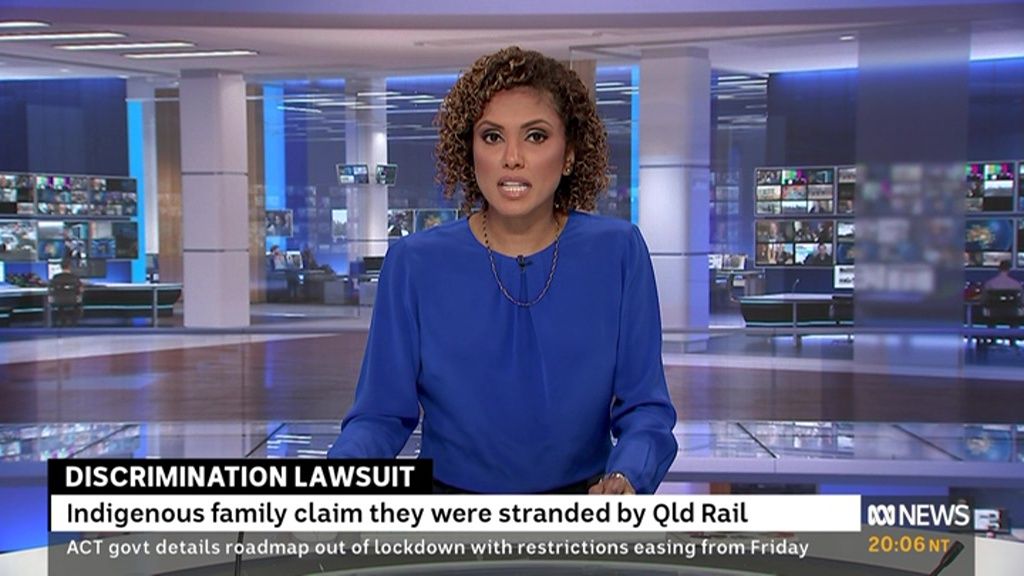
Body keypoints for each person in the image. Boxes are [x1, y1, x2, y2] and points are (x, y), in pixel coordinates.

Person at [328, 46, 677, 495]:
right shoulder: (414, 263)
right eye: (492, 137)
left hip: (584, 512)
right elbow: (380, 415)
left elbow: (646, 408)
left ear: (569, 154)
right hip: (449, 515)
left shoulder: (618, 252)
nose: (512, 157)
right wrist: (336, 478)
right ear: (470, 150)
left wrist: (628, 474)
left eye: (535, 136)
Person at [49, 257, 84, 327]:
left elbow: (51, 289)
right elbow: (81, 290)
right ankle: (74, 321)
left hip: (58, 300)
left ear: (61, 267)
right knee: (79, 302)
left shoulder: (55, 277)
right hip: (72, 300)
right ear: (70, 267)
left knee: (60, 304)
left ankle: (62, 320)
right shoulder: (75, 277)